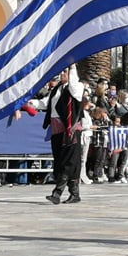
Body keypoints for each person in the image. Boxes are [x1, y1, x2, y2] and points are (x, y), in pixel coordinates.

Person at [44, 64, 84, 204]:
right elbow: (46, 103)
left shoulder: (77, 87)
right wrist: (29, 103)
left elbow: (73, 87)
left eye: (65, 72)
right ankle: (75, 194)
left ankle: (57, 193)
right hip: (57, 130)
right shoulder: (57, 89)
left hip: (70, 129)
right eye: (62, 72)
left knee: (69, 161)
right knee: (60, 160)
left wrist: (72, 67)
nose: (63, 74)